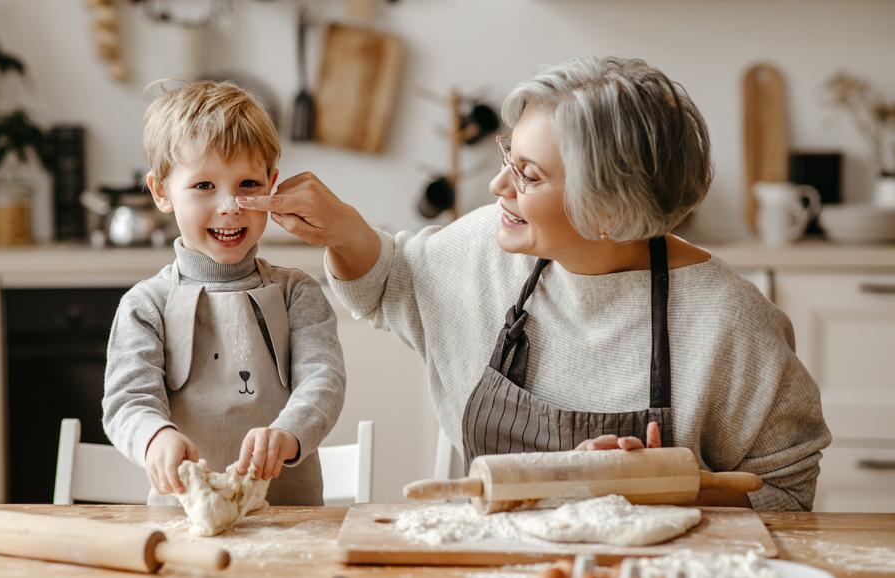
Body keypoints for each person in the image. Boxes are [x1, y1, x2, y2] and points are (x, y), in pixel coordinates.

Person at [237, 57, 831, 511]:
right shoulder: (485, 249)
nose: (498, 185)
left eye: (529, 174)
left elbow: (785, 489)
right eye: (508, 156)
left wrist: (669, 487)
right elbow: (394, 281)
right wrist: (345, 230)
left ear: (608, 209)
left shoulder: (728, 322)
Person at [102, 80, 345, 506]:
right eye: (204, 186)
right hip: (183, 519)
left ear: (272, 186)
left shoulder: (297, 294)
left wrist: (288, 433)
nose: (230, 205)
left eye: (248, 184)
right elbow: (128, 401)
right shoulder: (145, 306)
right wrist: (155, 436)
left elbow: (322, 382)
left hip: (290, 517)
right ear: (161, 191)